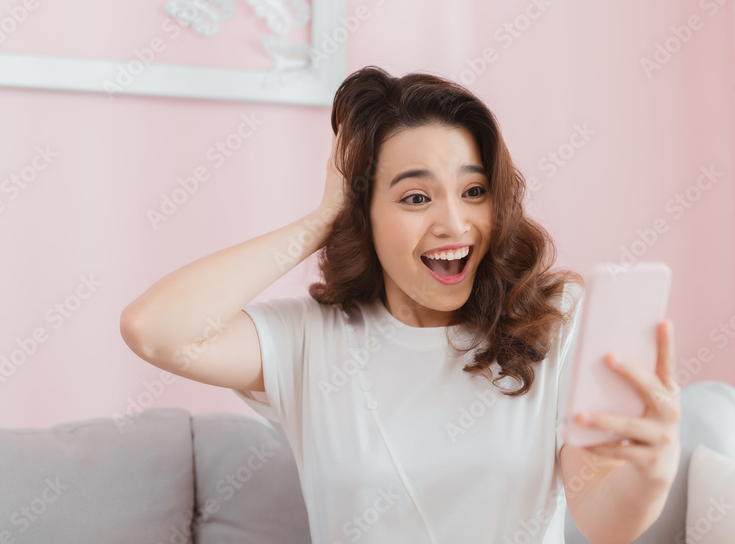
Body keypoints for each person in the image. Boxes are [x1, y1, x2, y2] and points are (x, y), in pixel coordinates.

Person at [120, 66, 681, 544]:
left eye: (474, 191)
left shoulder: (554, 322)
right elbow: (155, 330)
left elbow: (603, 518)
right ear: (362, 212)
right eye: (416, 197)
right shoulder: (311, 339)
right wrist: (321, 219)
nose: (455, 224)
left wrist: (650, 475)